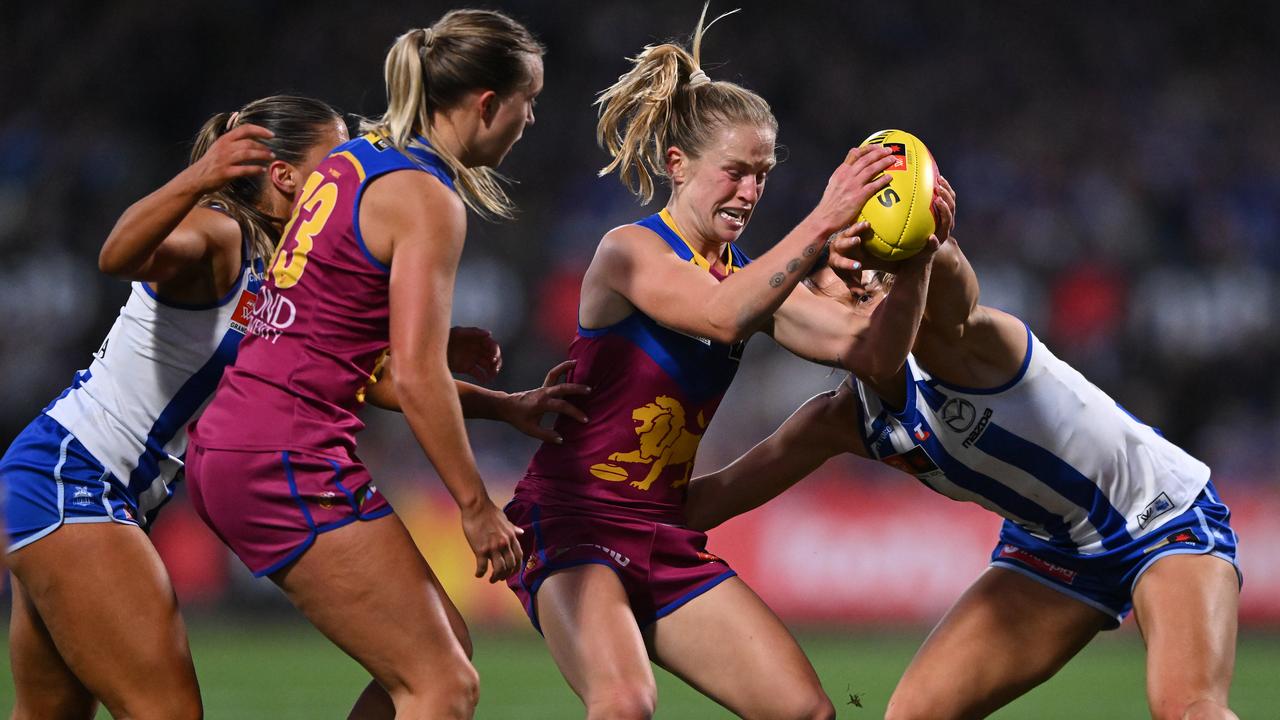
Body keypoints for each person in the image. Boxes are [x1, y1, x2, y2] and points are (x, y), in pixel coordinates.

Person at [501, 7, 950, 719]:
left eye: (763, 175)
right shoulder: (629, 251)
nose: (749, 191)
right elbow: (720, 315)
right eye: (735, 172)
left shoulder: (751, 278)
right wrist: (822, 221)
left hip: (660, 530)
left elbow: (872, 354)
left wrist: (918, 260)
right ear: (677, 165)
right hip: (571, 522)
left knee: (808, 712)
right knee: (622, 705)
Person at [687, 176, 1242, 720]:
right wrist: (606, 501)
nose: (856, 285)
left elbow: (959, 300)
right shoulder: (841, 421)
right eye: (834, 282)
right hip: (1055, 550)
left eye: (869, 279)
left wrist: (931, 243)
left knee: (1187, 709)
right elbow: (716, 497)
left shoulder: (951, 347)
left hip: (1163, 516)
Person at [184, 10, 559, 719]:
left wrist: (501, 404)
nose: (530, 120)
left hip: (249, 437)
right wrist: (476, 508)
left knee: (439, 654)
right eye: (526, 102)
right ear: (485, 104)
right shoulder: (426, 198)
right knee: (442, 686)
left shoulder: (351, 162)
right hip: (280, 453)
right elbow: (415, 378)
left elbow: (358, 356)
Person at [0, 95, 347, 720]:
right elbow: (117, 257)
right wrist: (199, 177)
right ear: (284, 174)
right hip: (77, 477)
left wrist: (489, 399)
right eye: (335, 156)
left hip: (83, 485)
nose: (348, 172)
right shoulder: (219, 230)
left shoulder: (272, 268)